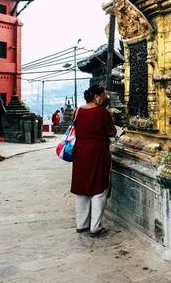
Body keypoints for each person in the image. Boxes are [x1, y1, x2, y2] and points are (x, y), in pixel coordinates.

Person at [71, 84, 116, 237]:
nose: (104, 98)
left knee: (81, 186)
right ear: (97, 97)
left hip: (80, 151)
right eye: (103, 95)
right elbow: (112, 132)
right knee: (99, 186)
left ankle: (81, 224)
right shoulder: (102, 112)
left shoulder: (78, 111)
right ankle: (95, 226)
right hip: (97, 151)